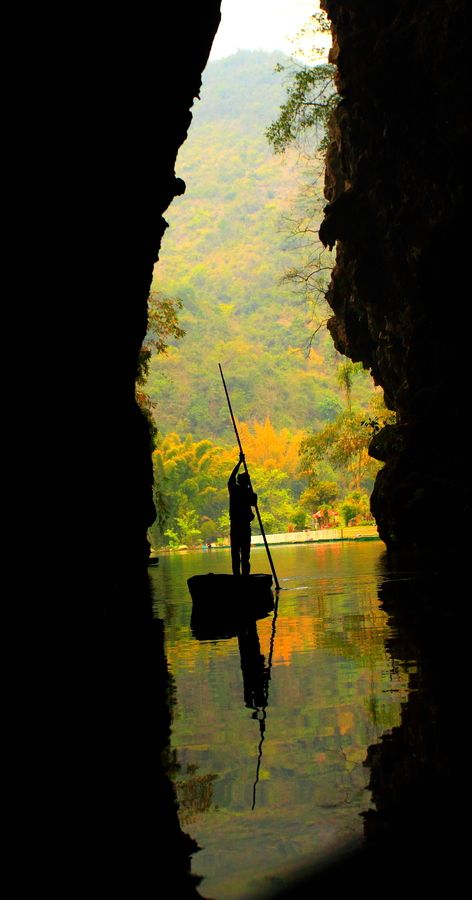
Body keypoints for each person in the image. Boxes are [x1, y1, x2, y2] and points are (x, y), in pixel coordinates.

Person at [228, 451, 257, 576]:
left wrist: (239, 462)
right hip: (243, 527)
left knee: (237, 554)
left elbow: (230, 479)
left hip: (237, 527)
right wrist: (250, 488)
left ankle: (238, 577)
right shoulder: (248, 493)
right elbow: (254, 503)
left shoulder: (235, 490)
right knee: (245, 554)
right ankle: (245, 576)